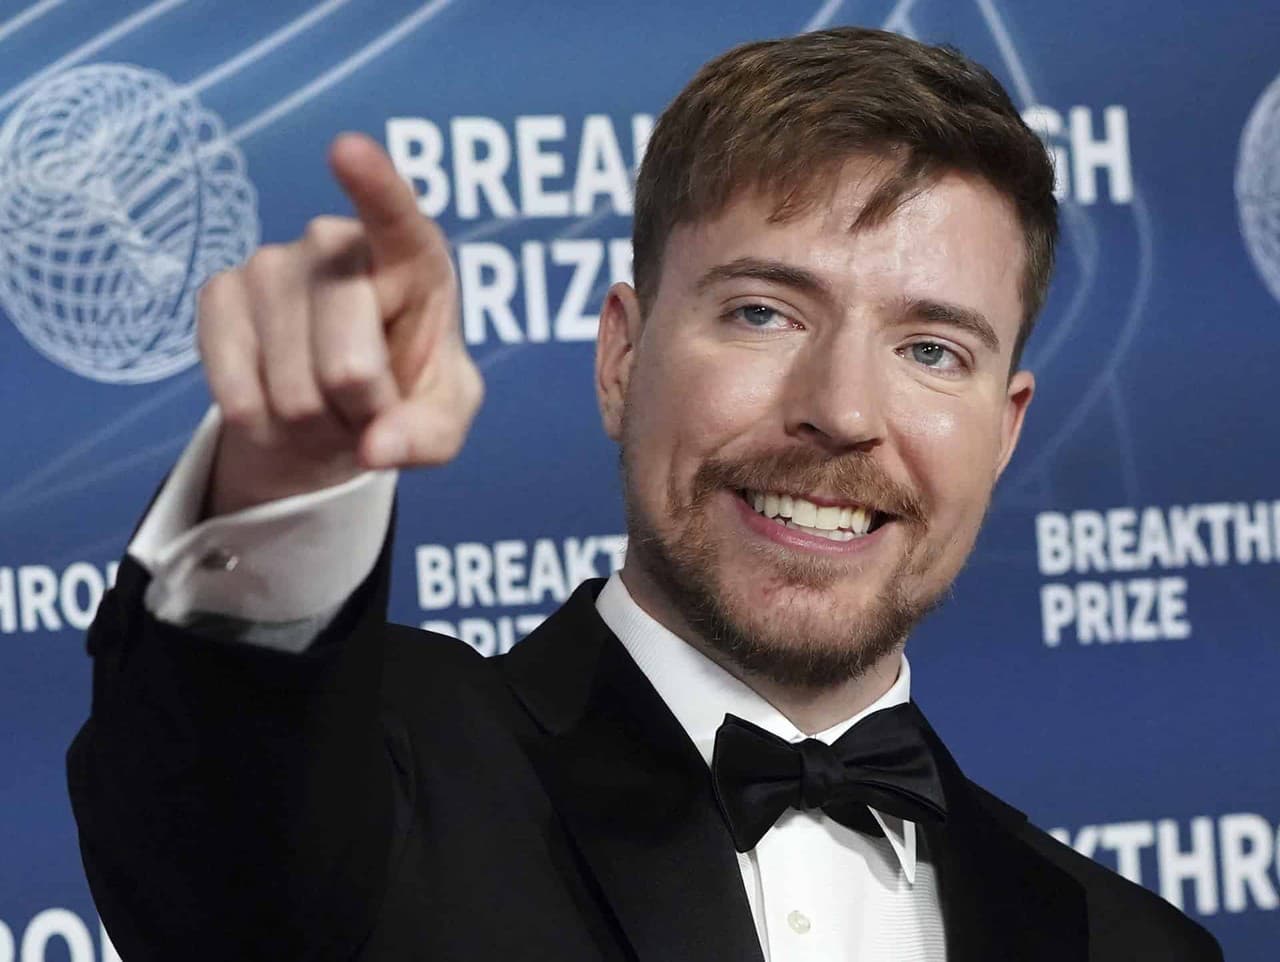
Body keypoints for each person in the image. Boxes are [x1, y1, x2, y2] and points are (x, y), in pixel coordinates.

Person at [68, 26, 1222, 962]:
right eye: (762, 311)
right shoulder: (391, 769)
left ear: (1004, 427)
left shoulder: (1129, 942)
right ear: (621, 356)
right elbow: (213, 835)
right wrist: (292, 469)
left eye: (930, 349)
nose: (841, 409)